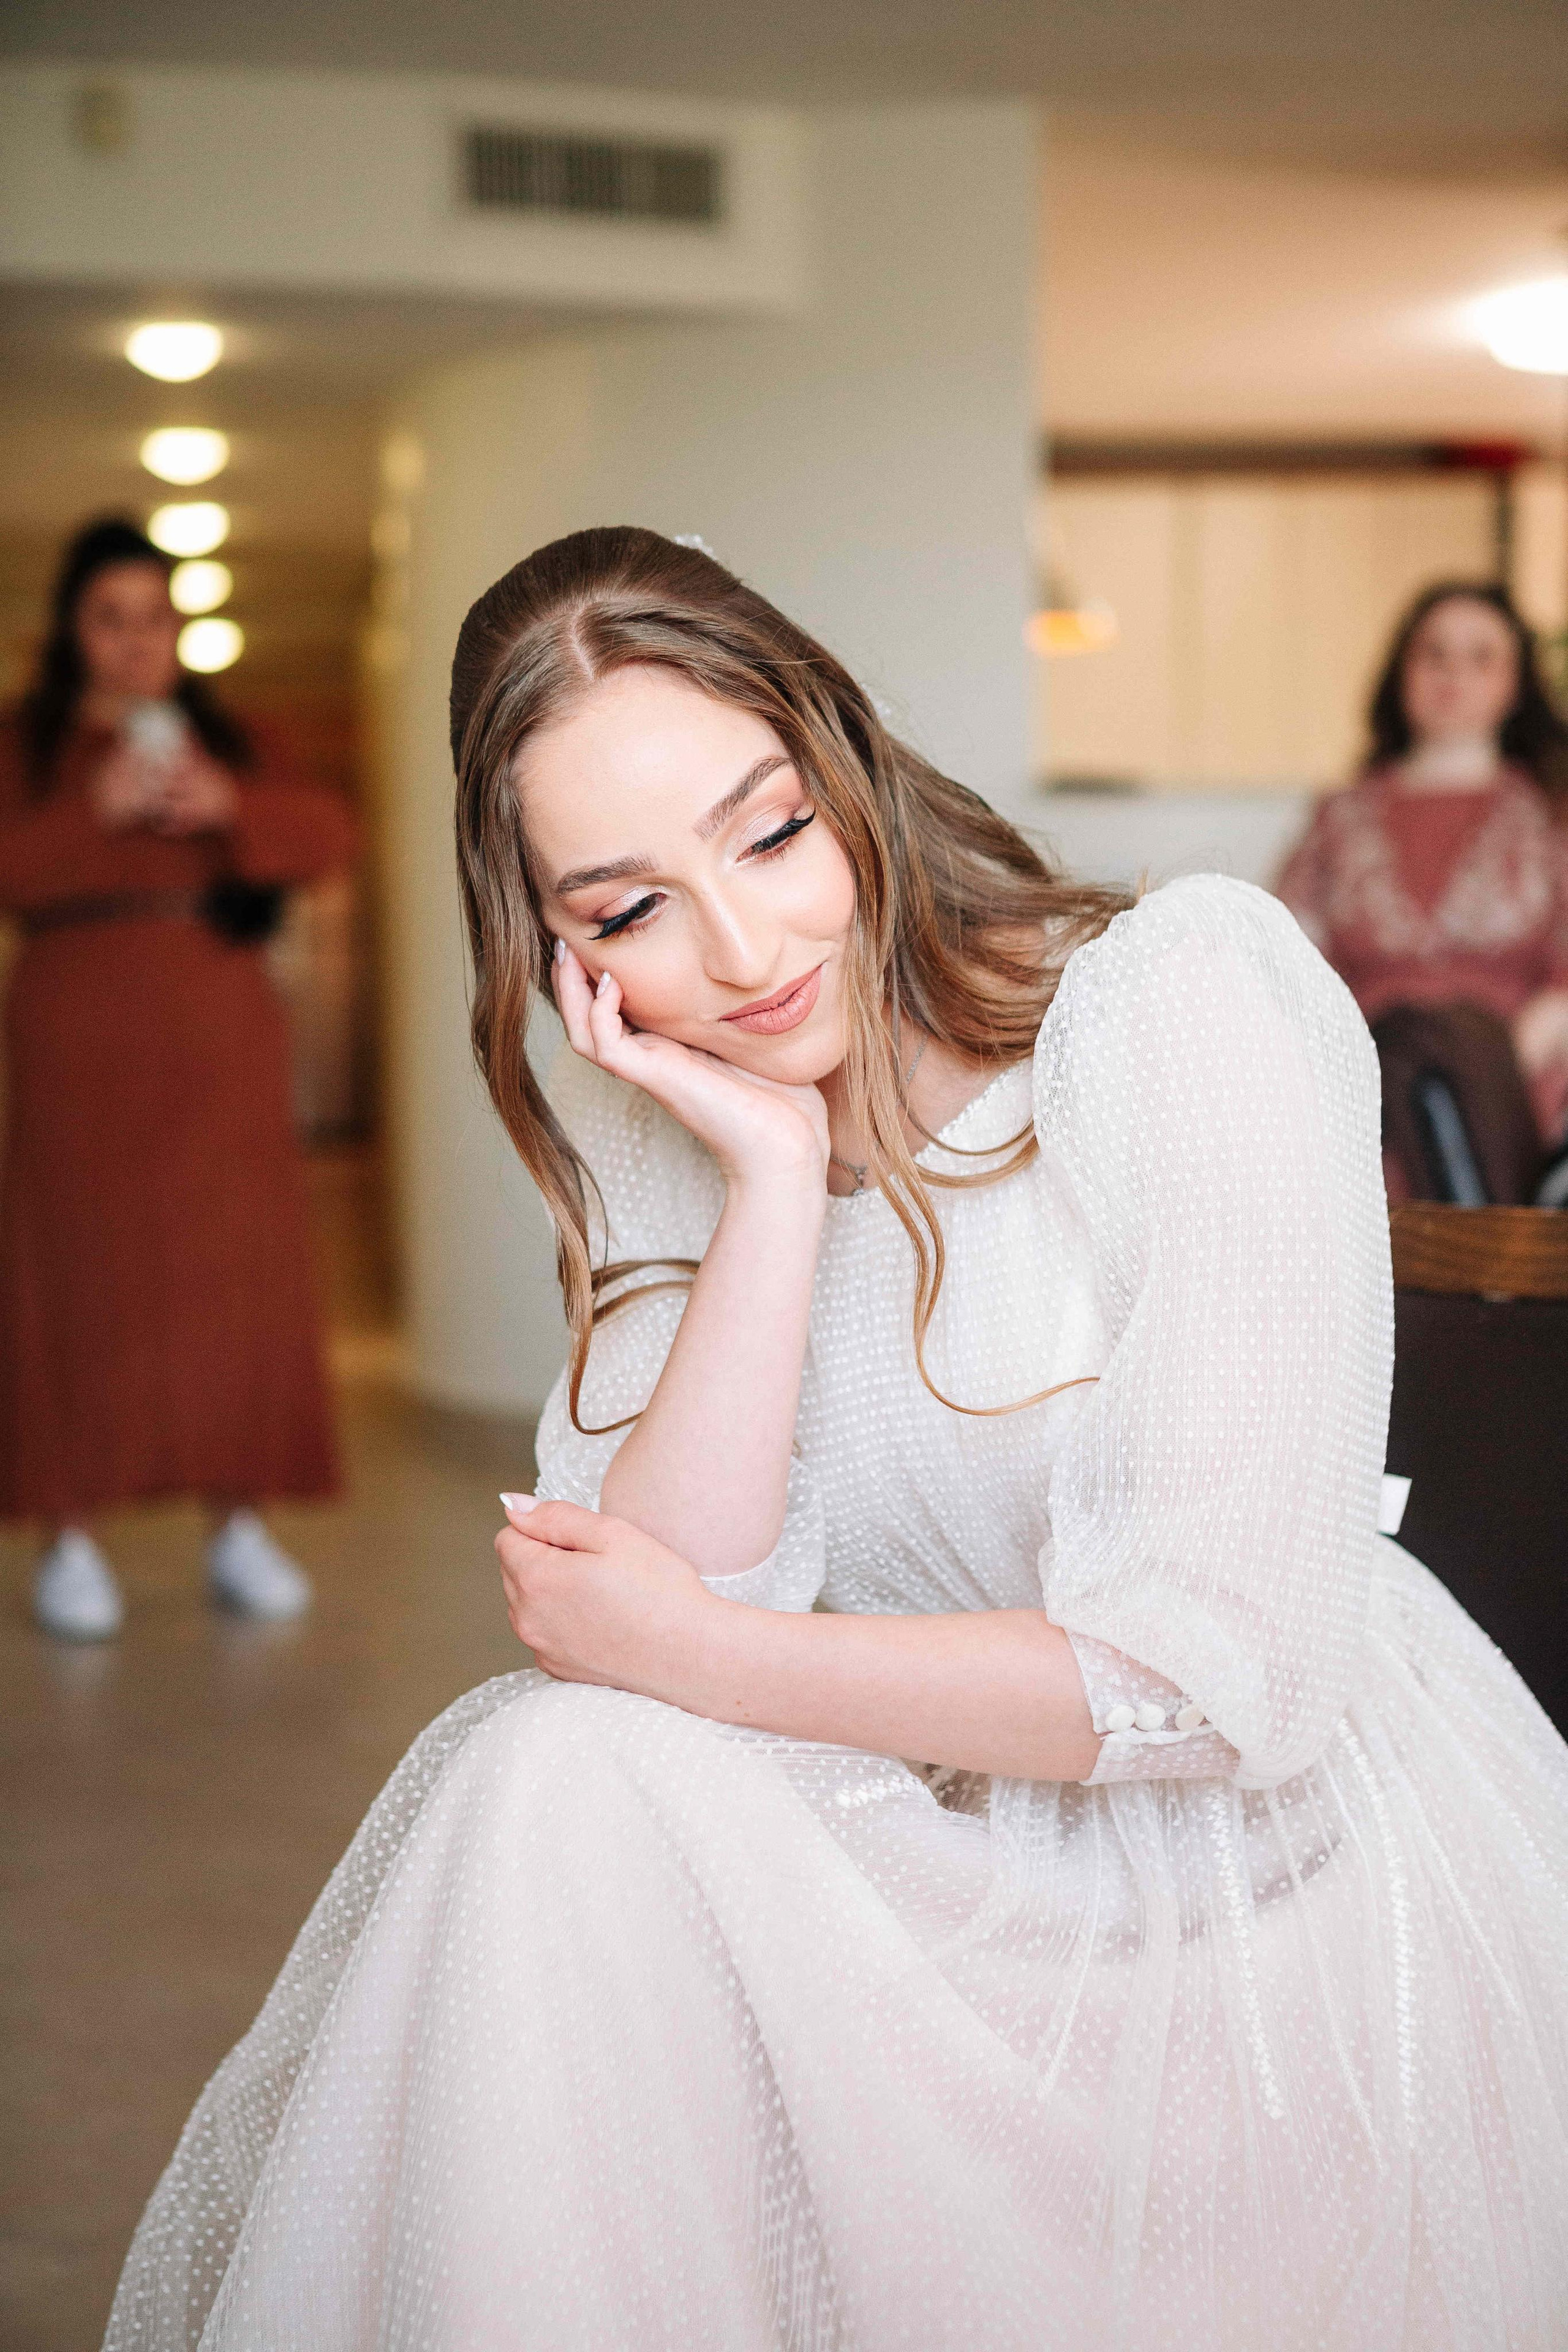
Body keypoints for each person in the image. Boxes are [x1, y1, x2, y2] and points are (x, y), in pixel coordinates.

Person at [105, 530, 1568, 2350]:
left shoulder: (1173, 1005)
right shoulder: (686, 1121)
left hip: (1264, 1919)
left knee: (565, 1771)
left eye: (770, 829)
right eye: (626, 908)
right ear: (557, 948)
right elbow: (640, 1627)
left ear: (846, 759)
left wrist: (721, 1651)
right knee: (556, 1780)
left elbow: (1216, 1679)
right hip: (941, 1878)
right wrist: (776, 1185)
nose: (740, 948)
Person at [0, 518, 357, 1640]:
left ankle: (239, 1522)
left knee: (236, 1274)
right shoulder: (28, 742)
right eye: (110, 619)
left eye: (153, 618)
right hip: (78, 1033)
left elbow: (329, 837)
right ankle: (70, 1534)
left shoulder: (231, 737)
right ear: (72, 630)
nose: (135, 642)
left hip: (220, 1033)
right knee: (77, 1274)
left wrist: (226, 808)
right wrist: (91, 814)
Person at [1277, 580, 1568, 1198]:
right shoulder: (1341, 817)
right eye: (1433, 654)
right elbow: (1286, 956)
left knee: (1447, 1049)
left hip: (1517, 1068)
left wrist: (1522, 1047)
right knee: (1407, 1048)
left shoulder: (1549, 814)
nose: (1452, 675)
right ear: (1401, 672)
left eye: (1479, 657)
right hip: (1362, 1068)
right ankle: (1483, 1270)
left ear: (1515, 683)